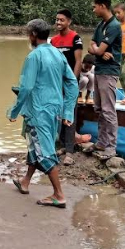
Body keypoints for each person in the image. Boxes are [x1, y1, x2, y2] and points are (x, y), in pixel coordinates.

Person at [9, 19, 78, 208]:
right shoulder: (57, 53)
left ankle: (59, 194)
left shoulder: (34, 56)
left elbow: (27, 87)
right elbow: (72, 83)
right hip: (54, 109)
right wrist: (68, 110)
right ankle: (25, 182)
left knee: (45, 149)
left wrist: (14, 110)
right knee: (36, 144)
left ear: (32, 34)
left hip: (39, 110)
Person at [49, 9, 90, 165]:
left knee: (70, 114)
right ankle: (62, 145)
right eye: (57, 20)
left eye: (62, 20)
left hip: (70, 81)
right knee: (58, 113)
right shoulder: (53, 41)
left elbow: (78, 61)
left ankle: (70, 151)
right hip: (56, 83)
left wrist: (72, 81)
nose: (59, 22)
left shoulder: (75, 38)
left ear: (69, 22)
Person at [85, 0, 122, 160]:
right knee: (99, 108)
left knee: (108, 110)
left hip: (109, 72)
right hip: (99, 69)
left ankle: (111, 147)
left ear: (102, 6)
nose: (93, 9)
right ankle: (101, 142)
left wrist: (98, 50)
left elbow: (97, 50)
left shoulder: (114, 25)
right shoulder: (101, 25)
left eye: (95, 6)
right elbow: (91, 47)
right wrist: (98, 50)